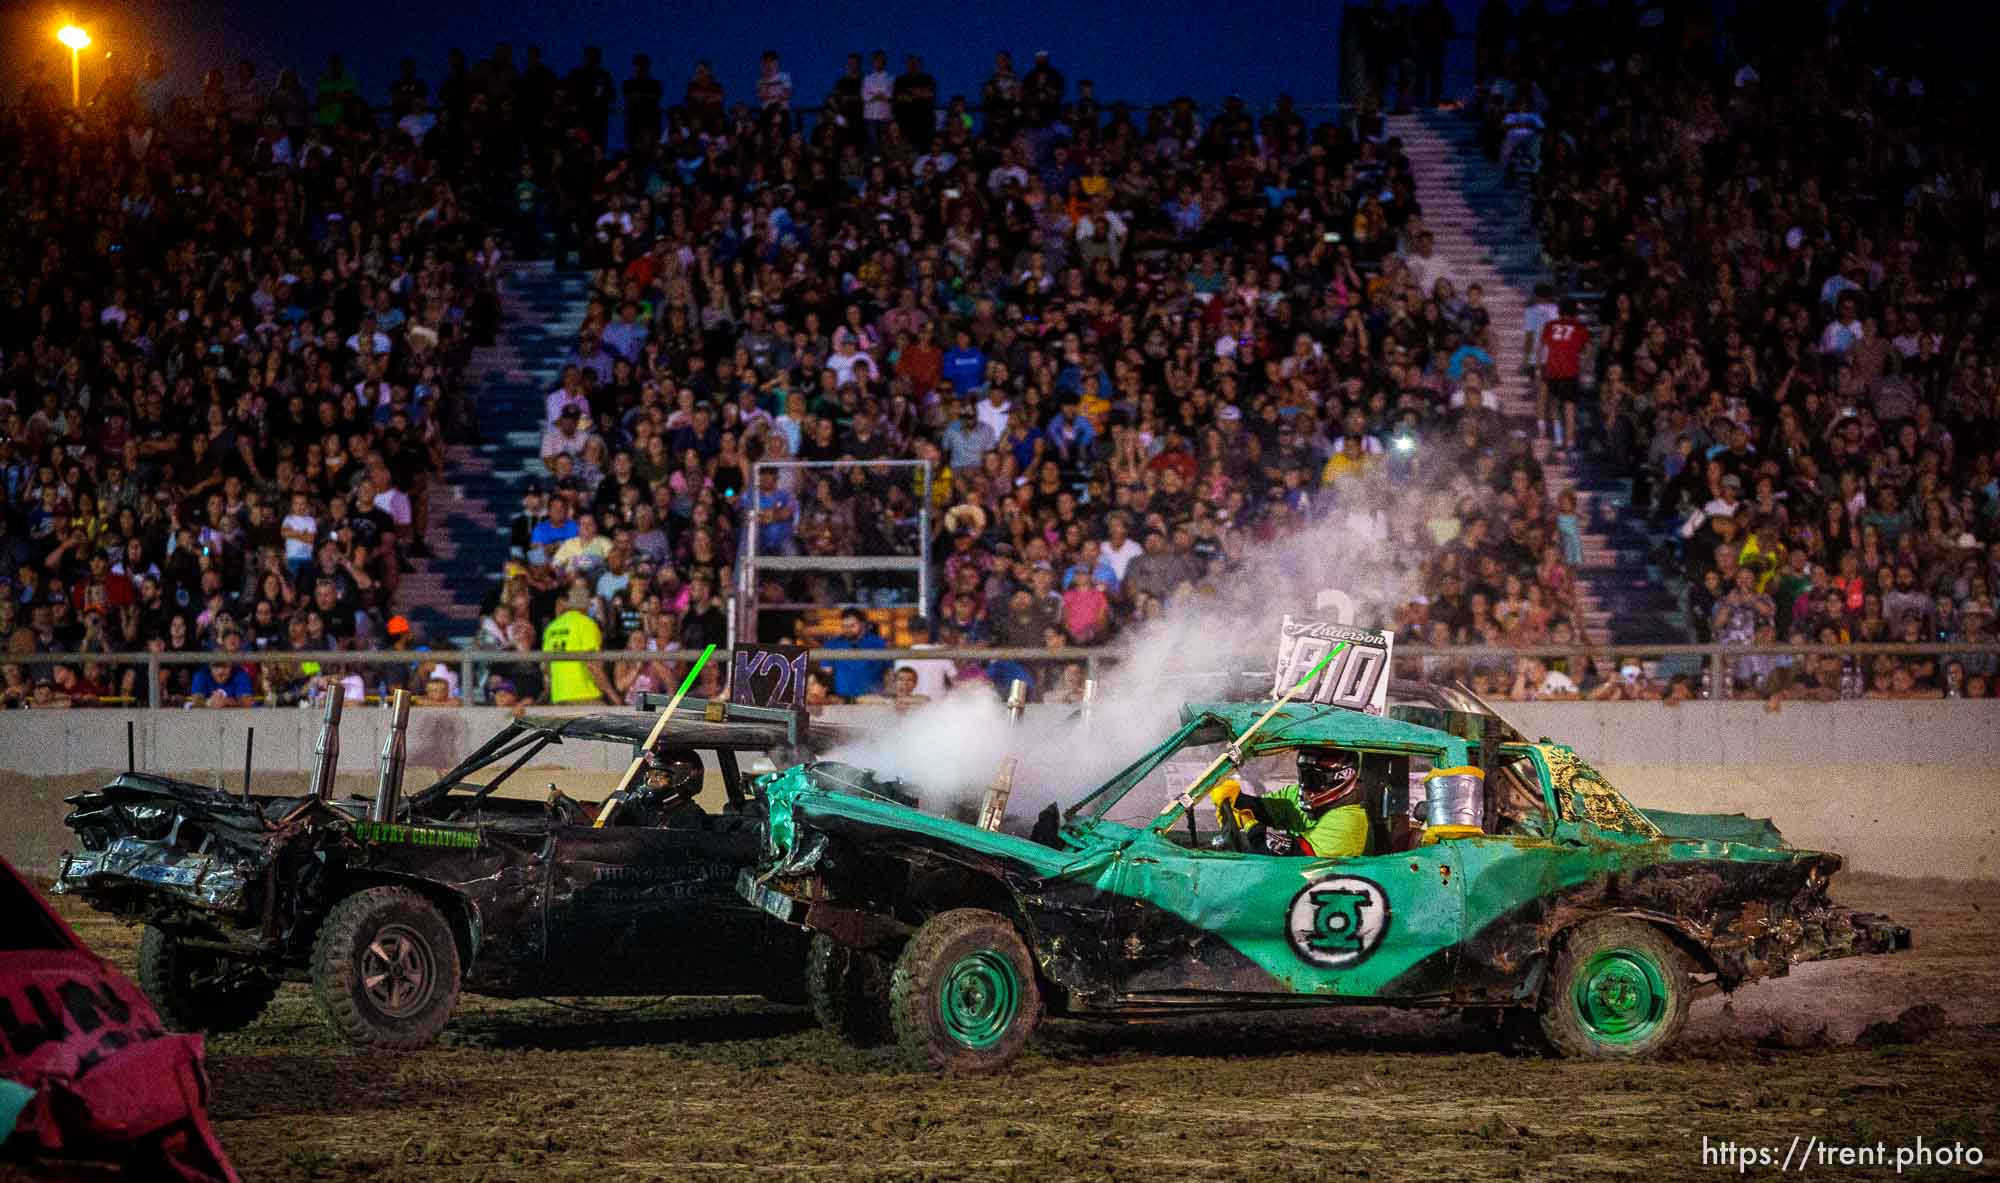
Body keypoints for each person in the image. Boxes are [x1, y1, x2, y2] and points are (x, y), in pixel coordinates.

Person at [1210, 748, 1370, 857]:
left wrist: (1250, 825)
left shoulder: (1350, 822)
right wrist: (1237, 800)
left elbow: (1293, 857)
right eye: (1303, 775)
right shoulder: (1297, 794)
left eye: (1313, 778)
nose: (1306, 784)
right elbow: (1265, 809)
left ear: (1340, 778)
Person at [542, 586, 615, 704]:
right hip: (585, 695)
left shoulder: (551, 627)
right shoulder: (587, 624)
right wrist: (613, 695)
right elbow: (593, 665)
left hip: (559, 696)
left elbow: (546, 667)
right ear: (585, 605)